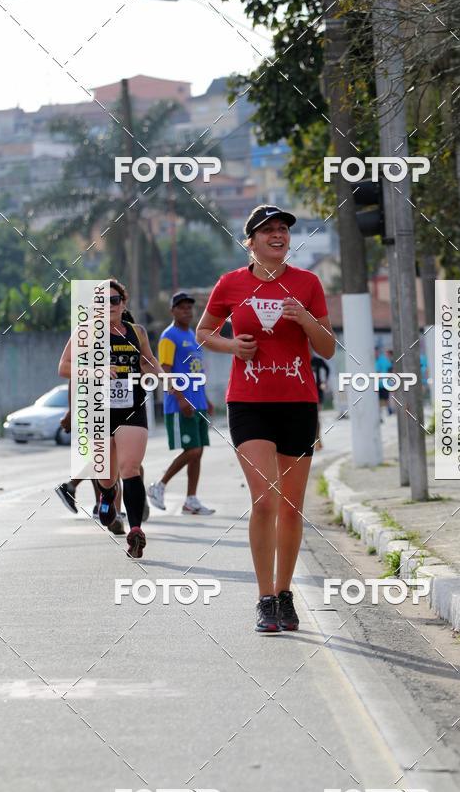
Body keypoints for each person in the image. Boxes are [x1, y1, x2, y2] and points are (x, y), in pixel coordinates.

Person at [196, 204, 335, 633]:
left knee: (292, 508)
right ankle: (264, 599)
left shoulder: (308, 283)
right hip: (249, 403)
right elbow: (204, 332)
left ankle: (285, 592)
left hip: (298, 402)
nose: (278, 235)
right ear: (250, 241)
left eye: (283, 230)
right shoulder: (231, 283)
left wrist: (306, 320)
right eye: (268, 230)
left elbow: (328, 348)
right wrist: (232, 347)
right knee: (265, 499)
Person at [58, 279, 163, 557]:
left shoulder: (137, 332)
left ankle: (136, 530)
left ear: (123, 303)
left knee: (131, 468)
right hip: (99, 409)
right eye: (101, 302)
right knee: (106, 474)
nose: (108, 306)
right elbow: (64, 367)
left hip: (132, 407)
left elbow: (148, 361)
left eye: (114, 300)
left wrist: (156, 374)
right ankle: (106, 495)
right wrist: (95, 372)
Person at [147, 291, 216, 516]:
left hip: (198, 403)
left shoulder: (195, 337)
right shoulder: (169, 336)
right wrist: (181, 398)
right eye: (181, 306)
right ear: (172, 311)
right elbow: (164, 371)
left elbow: (195, 371)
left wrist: (205, 399)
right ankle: (159, 485)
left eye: (189, 306)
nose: (187, 310)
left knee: (198, 452)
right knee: (193, 450)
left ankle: (191, 500)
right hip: (181, 404)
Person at [310, 352, 330, 450]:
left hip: (317, 391)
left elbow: (327, 369)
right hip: (305, 391)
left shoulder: (318, 361)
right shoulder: (299, 359)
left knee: (316, 416)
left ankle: (318, 440)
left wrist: (324, 382)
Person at [375, 346, 393, 419]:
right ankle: (381, 414)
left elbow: (390, 369)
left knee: (386, 399)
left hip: (384, 383)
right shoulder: (373, 360)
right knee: (378, 400)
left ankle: (388, 410)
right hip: (377, 384)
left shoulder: (383, 360)